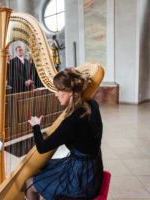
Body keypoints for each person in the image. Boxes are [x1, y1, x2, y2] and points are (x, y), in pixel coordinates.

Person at [25, 67, 103, 200]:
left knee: (29, 183)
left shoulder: (72, 122)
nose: (55, 94)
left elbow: (42, 147)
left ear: (70, 92)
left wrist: (36, 126)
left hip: (81, 180)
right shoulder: (92, 105)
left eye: (58, 90)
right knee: (45, 167)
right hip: (94, 169)